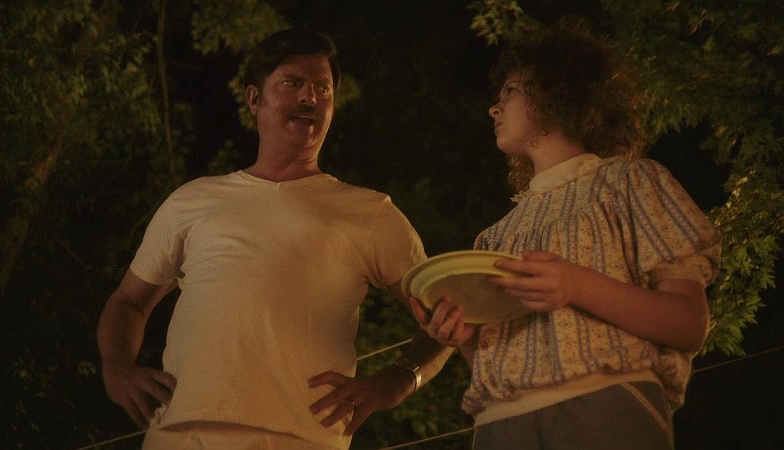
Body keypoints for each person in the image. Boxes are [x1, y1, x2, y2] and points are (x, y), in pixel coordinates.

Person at [97, 28, 451, 450]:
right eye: (292, 83)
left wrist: (403, 377)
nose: (310, 97)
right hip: (180, 435)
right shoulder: (193, 200)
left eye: (323, 88)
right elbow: (129, 302)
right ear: (254, 99)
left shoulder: (370, 212)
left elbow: (449, 313)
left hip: (301, 439)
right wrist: (117, 367)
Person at [411, 24, 721, 450]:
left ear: (557, 94)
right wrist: (463, 336)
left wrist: (577, 285)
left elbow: (688, 324)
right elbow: (493, 359)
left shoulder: (632, 183)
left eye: (510, 91)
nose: (494, 108)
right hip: (500, 426)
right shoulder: (493, 237)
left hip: (603, 409)